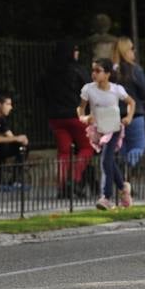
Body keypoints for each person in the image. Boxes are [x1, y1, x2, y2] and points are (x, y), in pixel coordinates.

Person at [78, 58, 135, 210]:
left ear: (108, 74)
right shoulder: (88, 89)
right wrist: (84, 118)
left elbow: (131, 102)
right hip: (99, 129)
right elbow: (81, 109)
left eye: (98, 71)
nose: (94, 74)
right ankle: (124, 189)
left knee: (105, 160)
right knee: (109, 161)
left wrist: (128, 117)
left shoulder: (116, 89)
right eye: (93, 70)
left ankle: (106, 197)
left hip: (114, 128)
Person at [40, 41, 94, 199]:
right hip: (75, 116)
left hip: (56, 118)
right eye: (75, 49)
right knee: (86, 148)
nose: (77, 52)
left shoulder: (48, 71)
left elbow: (41, 93)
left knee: (63, 152)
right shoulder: (77, 69)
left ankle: (62, 185)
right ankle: (75, 180)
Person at [111, 37, 145, 169]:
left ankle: (123, 181)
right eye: (132, 49)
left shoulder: (111, 72)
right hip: (134, 114)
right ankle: (127, 167)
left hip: (115, 116)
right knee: (139, 146)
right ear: (126, 51)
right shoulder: (135, 70)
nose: (134, 51)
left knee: (121, 149)